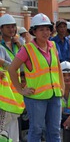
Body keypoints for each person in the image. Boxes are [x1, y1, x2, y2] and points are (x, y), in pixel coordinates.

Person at [8, 13, 64, 142]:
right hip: (36, 98)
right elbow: (12, 69)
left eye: (48, 29)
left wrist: (62, 87)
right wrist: (21, 90)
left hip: (54, 95)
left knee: (55, 131)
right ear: (34, 31)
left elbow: (58, 69)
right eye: (41, 29)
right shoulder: (27, 49)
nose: (45, 32)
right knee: (36, 130)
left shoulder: (53, 46)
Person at [0, 14, 24, 142]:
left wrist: (20, 45)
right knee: (5, 122)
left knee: (15, 121)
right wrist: (11, 66)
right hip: (6, 90)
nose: (11, 30)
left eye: (13, 27)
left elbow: (26, 60)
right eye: (8, 27)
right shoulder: (0, 46)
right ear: (1, 29)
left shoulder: (18, 43)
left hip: (17, 88)